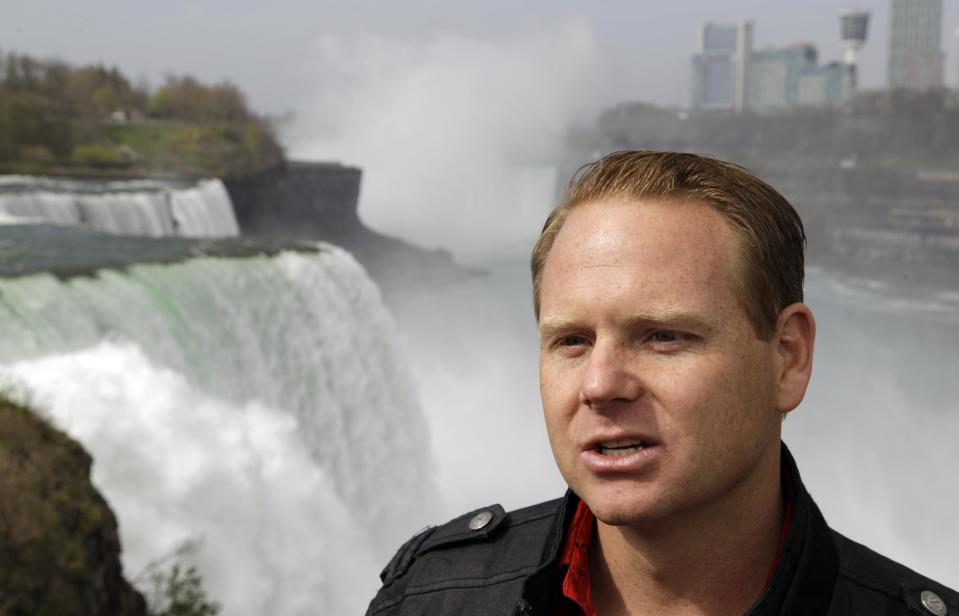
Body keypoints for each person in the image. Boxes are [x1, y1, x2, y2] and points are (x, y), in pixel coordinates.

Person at [366, 151, 958, 616]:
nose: (600, 385)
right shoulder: (428, 599)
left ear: (787, 358)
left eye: (662, 337)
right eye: (571, 340)